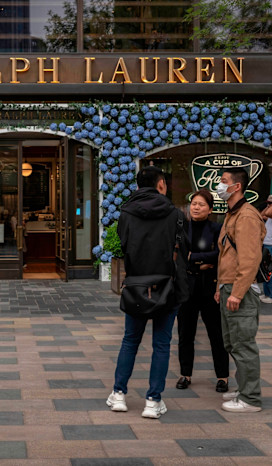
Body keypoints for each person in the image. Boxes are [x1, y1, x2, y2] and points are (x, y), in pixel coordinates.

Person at [106, 166, 189, 419]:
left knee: (130, 341)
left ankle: (119, 394)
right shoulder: (175, 214)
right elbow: (183, 251)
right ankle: (153, 401)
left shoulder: (126, 213)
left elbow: (122, 247)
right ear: (161, 184)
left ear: (138, 186)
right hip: (167, 287)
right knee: (161, 345)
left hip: (136, 287)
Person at [214, 166, 266, 413]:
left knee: (243, 344)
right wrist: (220, 286)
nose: (219, 185)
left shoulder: (246, 216)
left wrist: (237, 291)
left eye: (223, 181)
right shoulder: (233, 214)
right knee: (233, 343)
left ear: (237, 187)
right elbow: (227, 255)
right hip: (228, 286)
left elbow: (249, 259)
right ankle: (244, 388)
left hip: (239, 290)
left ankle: (251, 398)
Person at [176, 189, 230, 393]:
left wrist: (194, 258)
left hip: (210, 287)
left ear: (210, 209)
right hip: (186, 289)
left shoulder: (217, 228)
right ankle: (185, 374)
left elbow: (220, 254)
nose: (196, 207)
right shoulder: (182, 228)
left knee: (216, 334)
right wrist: (202, 260)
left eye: (201, 204)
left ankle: (222, 377)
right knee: (185, 334)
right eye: (193, 203)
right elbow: (178, 254)